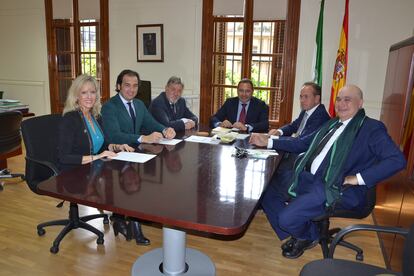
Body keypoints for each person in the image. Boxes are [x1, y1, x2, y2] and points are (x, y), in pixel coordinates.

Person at [249, 84, 406, 259]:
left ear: (360, 103)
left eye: (348, 100)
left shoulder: (371, 128)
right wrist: (269, 142)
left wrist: (359, 178)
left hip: (336, 187)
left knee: (286, 219)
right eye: (339, 99)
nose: (341, 104)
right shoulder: (331, 124)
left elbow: (397, 160)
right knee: (267, 188)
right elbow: (302, 143)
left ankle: (308, 235)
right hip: (309, 177)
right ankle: (302, 234)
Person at [57, 74, 134, 172]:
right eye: (84, 93)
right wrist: (97, 157)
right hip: (73, 172)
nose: (89, 97)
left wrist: (117, 147)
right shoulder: (70, 119)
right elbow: (64, 157)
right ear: (76, 96)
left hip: (93, 169)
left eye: (92, 92)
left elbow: (101, 145)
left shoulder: (96, 116)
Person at [101, 69, 176, 145]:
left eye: (135, 86)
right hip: (119, 152)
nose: (132, 90)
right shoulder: (109, 106)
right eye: (127, 85)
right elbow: (114, 136)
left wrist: (165, 130)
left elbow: (151, 123)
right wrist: (143, 138)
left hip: (137, 151)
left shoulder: (139, 104)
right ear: (119, 86)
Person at [268, 82, 330, 170]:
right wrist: (278, 131)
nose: (302, 100)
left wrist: (270, 141)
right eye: (301, 96)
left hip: (301, 161)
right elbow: (293, 126)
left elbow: (301, 144)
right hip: (295, 154)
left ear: (317, 98)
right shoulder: (307, 111)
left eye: (306, 97)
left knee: (271, 170)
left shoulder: (320, 117)